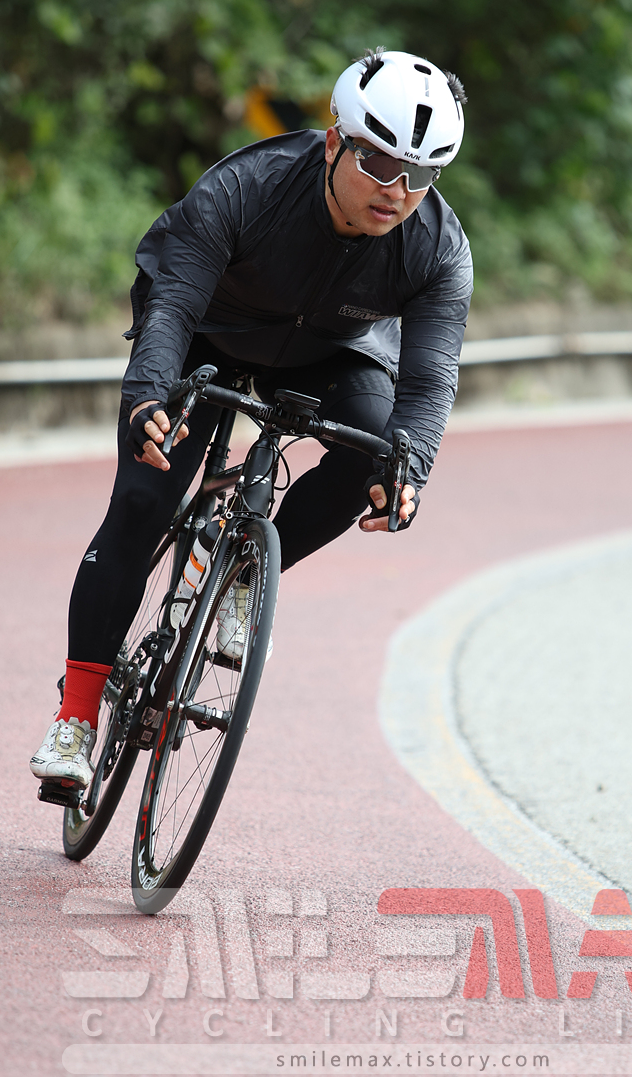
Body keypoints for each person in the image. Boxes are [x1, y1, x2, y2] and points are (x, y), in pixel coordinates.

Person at [30, 48, 473, 787]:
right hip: (207, 331)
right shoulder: (247, 187)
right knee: (142, 500)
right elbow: (173, 306)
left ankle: (241, 572)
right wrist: (147, 398)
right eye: (379, 162)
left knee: (375, 453)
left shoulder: (438, 249)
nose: (397, 191)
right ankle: (75, 719)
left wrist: (411, 468)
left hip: (332, 350)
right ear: (334, 144)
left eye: (421, 175)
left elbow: (429, 381)